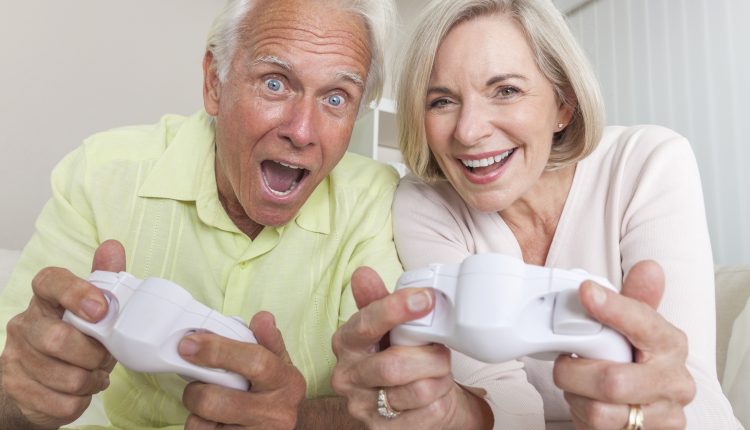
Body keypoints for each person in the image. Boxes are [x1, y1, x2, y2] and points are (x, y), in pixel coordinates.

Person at [332, 0, 742, 429]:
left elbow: (690, 388)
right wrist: (444, 409)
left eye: (505, 90)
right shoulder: (424, 204)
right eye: (442, 101)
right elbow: (501, 402)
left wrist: (646, 416)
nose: (469, 131)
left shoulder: (648, 163)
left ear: (563, 104)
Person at [0, 0, 404, 428]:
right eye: (274, 84)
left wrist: (298, 420)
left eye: (336, 97)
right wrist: (20, 396)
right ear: (215, 82)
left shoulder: (375, 200)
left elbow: (395, 406)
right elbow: (13, 387)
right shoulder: (100, 173)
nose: (301, 131)